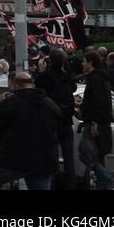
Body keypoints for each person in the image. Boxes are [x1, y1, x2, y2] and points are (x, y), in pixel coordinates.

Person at [0, 71, 64, 190]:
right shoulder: (49, 104)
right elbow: (60, 125)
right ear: (33, 85)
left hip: (14, 160)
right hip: (44, 161)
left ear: (15, 85)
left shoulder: (11, 102)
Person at [36, 46, 77, 190]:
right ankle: (71, 185)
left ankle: (50, 186)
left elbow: (38, 90)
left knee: (51, 157)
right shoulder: (66, 76)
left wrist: (41, 71)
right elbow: (73, 88)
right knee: (69, 158)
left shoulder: (46, 75)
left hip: (52, 122)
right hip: (66, 121)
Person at [80, 49, 114, 190]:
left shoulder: (95, 79)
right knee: (98, 155)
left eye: (84, 61)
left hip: (94, 123)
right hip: (102, 122)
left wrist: (94, 122)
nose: (82, 64)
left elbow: (97, 102)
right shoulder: (102, 78)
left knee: (86, 154)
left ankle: (108, 179)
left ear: (90, 62)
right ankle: (103, 184)